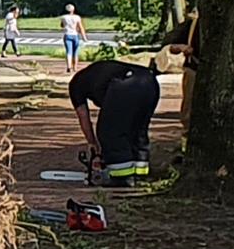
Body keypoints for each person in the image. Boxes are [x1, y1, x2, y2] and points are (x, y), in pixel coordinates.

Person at [70, 52, 165, 185]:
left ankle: (122, 177)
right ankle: (140, 173)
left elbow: (83, 117)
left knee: (110, 132)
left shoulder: (76, 85)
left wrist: (93, 144)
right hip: (149, 80)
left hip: (126, 83)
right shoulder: (97, 75)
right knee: (137, 129)